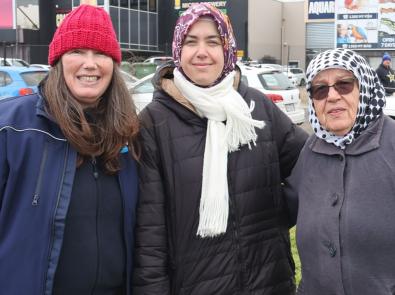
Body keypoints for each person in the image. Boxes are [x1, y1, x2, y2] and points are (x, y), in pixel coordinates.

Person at [133, 3, 307, 294]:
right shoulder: (153, 123)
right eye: (191, 41)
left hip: (268, 282)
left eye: (213, 41)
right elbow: (150, 236)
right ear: (178, 49)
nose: (202, 52)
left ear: (227, 49)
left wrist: (279, 212)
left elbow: (311, 166)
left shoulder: (256, 107)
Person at [0, 5, 139, 295]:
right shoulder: (12, 127)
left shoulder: (129, 132)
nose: (90, 64)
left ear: (113, 64)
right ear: (58, 59)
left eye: (101, 53)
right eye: (77, 51)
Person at [284, 48, 395, 294]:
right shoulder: (311, 150)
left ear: (363, 87)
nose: (332, 96)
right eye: (320, 89)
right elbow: (276, 213)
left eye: (344, 84)